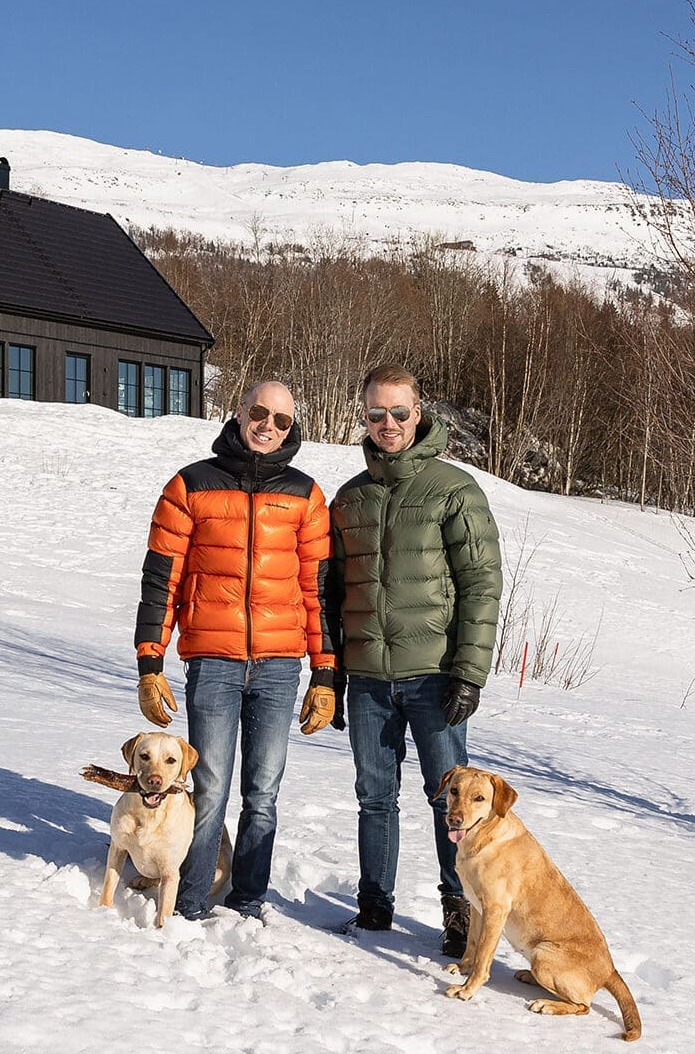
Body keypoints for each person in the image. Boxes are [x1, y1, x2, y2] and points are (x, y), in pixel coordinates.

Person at [134, 380, 339, 920]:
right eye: (259, 413)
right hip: (213, 663)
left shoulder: (305, 495)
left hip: (279, 667)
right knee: (208, 787)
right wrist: (150, 662)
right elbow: (161, 579)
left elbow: (319, 591)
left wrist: (324, 672)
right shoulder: (190, 484)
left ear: (291, 430)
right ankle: (191, 901)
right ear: (240, 411)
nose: (268, 426)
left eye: (282, 420)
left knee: (263, 793)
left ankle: (248, 900)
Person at [326, 364, 502, 956]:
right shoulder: (350, 498)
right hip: (368, 680)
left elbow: (481, 584)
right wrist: (334, 674)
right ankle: (374, 906)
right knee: (374, 797)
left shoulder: (454, 489)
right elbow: (334, 593)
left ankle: (460, 912)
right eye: (376, 413)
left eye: (399, 412)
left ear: (418, 413)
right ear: (364, 417)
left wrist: (469, 673)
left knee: (451, 801)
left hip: (435, 678)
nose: (389, 423)